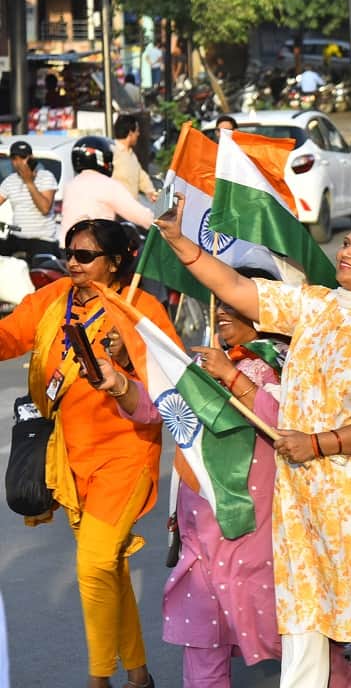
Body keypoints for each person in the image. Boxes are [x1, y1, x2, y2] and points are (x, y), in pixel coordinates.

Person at [155, 207, 351, 687]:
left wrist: (319, 443)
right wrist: (180, 243)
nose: (345, 252)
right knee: (303, 639)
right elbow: (240, 291)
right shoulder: (319, 305)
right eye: (347, 243)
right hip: (304, 505)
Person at [97, 267, 342, 688]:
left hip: (259, 526)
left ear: (263, 310)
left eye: (234, 303)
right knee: (202, 638)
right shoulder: (201, 361)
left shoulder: (288, 362)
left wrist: (230, 378)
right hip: (199, 526)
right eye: (220, 303)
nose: (224, 312)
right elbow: (157, 408)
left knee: (289, 638)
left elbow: (288, 427)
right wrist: (120, 383)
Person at [0, 219, 175, 688]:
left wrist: (127, 357)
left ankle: (99, 679)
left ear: (115, 263)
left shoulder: (142, 307)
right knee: (108, 568)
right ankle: (138, 676)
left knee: (94, 564)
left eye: (84, 256)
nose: (71, 263)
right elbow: (8, 339)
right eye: (69, 253)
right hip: (70, 457)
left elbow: (174, 383)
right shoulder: (52, 300)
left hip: (126, 455)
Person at [59, 137, 156, 244]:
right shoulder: (107, 185)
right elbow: (141, 216)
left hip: (66, 249)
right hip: (92, 251)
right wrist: (160, 224)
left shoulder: (70, 185)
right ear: (100, 158)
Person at [0, 140, 59, 257]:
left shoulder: (46, 177)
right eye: (14, 159)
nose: (19, 162)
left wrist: (29, 182)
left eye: (22, 158)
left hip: (42, 240)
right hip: (17, 238)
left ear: (31, 158)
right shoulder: (10, 180)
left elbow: (45, 208)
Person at [110, 115, 159, 204]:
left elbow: (140, 175)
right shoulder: (112, 153)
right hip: (117, 211)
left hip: (131, 210)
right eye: (137, 131)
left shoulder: (131, 154)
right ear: (130, 133)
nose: (138, 134)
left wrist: (150, 191)